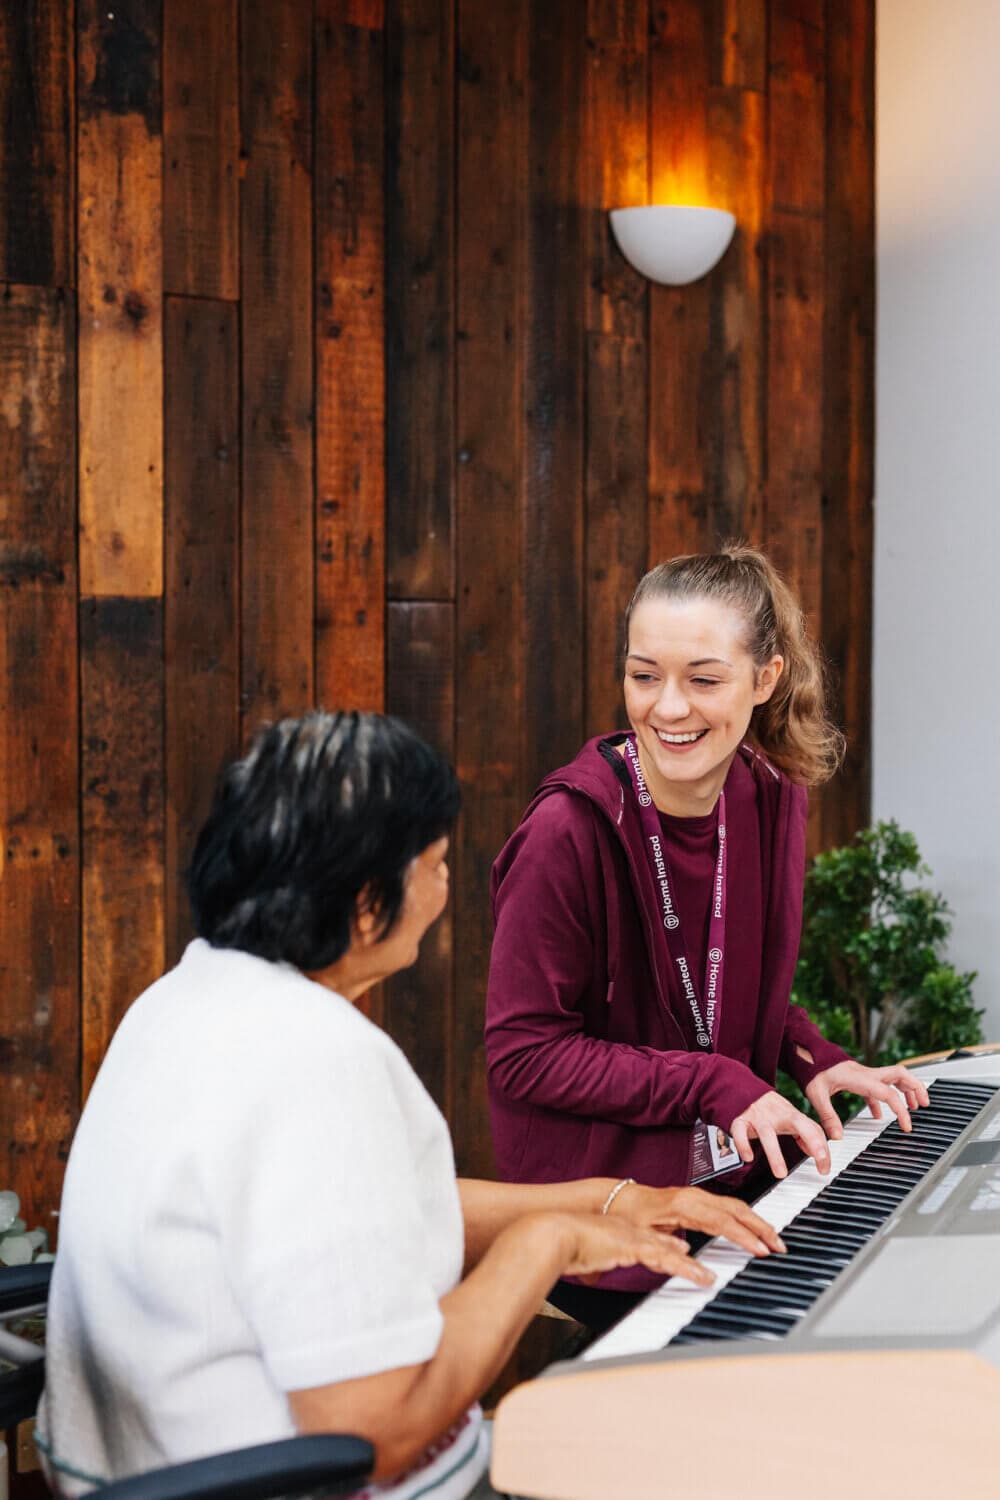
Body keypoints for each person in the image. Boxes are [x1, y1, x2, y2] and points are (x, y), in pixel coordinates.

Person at [37, 711, 784, 1500]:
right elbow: (373, 1435)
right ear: (365, 907)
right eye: (433, 863)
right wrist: (546, 1247)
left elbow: (352, 1217)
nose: (448, 884)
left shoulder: (186, 998)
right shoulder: (318, 1060)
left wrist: (613, 1202)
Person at [485, 547, 931, 1321]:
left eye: (703, 678)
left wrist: (814, 1057)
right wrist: (715, 1081)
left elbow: (723, 993)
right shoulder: (566, 831)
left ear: (765, 680)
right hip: (604, 1225)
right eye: (644, 674)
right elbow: (524, 1057)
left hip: (728, 1184)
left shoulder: (765, 793)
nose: (668, 708)